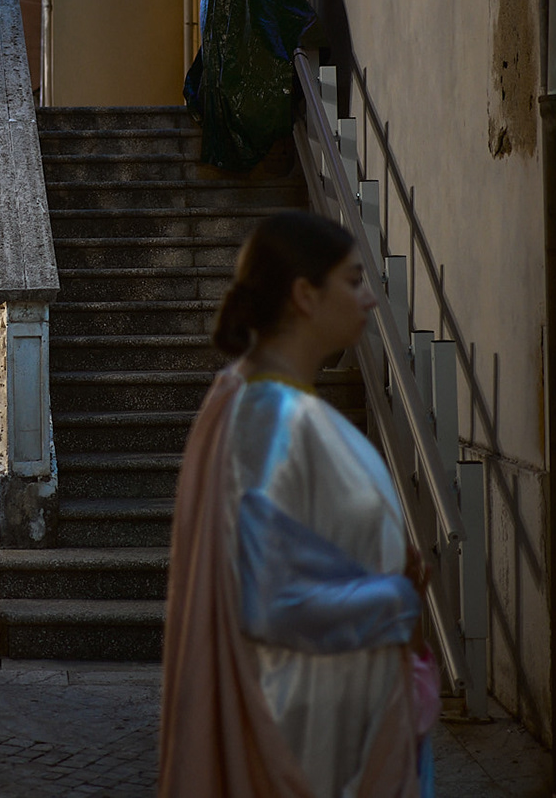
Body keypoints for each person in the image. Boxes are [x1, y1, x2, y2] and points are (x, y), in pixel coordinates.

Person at [159, 211, 437, 798]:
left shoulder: (276, 404)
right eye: (354, 280)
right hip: (308, 736)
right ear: (306, 295)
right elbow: (270, 597)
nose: (367, 299)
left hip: (336, 719)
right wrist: (396, 595)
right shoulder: (270, 416)